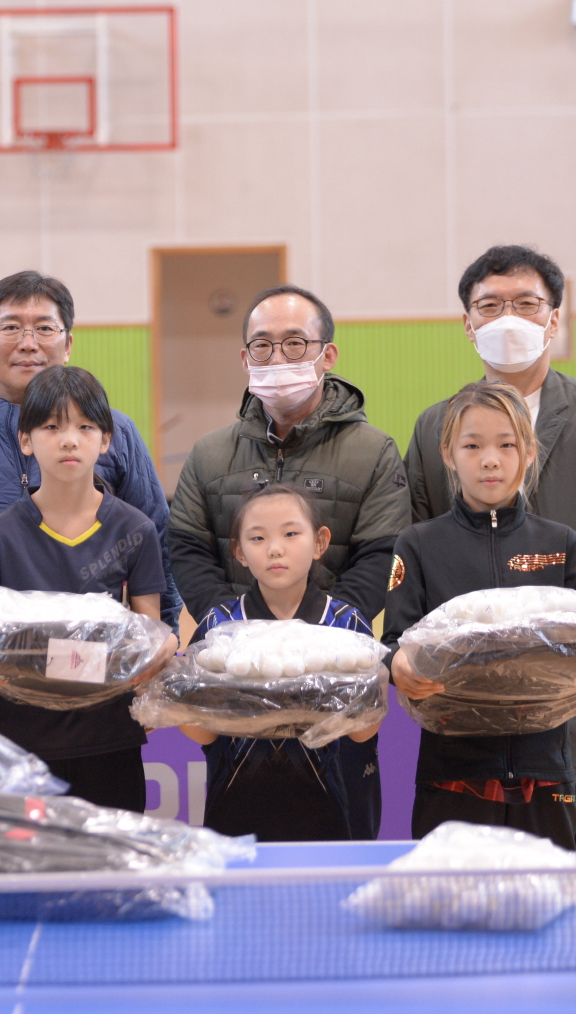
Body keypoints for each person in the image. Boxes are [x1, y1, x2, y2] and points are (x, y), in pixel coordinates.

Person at [403, 244, 576, 858]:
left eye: (527, 303)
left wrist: (547, 603)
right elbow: (416, 546)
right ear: (467, 324)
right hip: (476, 703)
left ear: (555, 318)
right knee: (477, 888)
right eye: (490, 305)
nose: (509, 317)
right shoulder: (434, 427)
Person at [168, 284, 410, 840]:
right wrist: (235, 634)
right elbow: (187, 547)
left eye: (295, 343)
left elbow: (383, 553)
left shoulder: (373, 451)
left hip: (334, 672)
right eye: (263, 345)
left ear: (328, 354)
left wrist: (321, 640)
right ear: (245, 357)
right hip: (235, 679)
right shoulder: (209, 453)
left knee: (339, 836)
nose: (278, 357)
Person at [0, 271, 180, 712]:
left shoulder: (115, 431)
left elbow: (159, 550)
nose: (28, 343)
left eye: (44, 328)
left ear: (68, 343)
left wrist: (156, 667)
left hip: (93, 687)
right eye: (10, 327)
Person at [387, 382, 576, 845]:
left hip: (546, 770)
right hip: (451, 773)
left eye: (506, 445)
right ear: (447, 454)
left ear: (529, 451)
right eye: (472, 446)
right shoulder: (417, 545)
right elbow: (396, 643)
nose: (490, 460)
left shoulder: (562, 543)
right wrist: (397, 664)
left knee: (544, 890)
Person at [0, 366, 174, 811]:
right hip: (20, 742)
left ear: (106, 440)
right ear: (25, 440)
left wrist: (152, 661)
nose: (69, 440)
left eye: (85, 427)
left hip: (108, 738)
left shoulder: (135, 529)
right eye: (51, 427)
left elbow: (150, 637)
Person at [176, 483, 380, 841]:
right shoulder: (219, 626)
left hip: (335, 815)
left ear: (320, 542)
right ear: (238, 551)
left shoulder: (346, 624)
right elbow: (201, 732)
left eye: (290, 534)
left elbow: (364, 730)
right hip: (236, 812)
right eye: (257, 538)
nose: (274, 549)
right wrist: (185, 701)